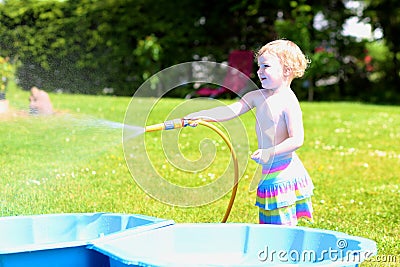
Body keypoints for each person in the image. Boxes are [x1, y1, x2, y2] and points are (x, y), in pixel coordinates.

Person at [185, 39, 314, 225]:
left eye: (266, 66)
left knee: (282, 224)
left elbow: (297, 139)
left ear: (287, 70)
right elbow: (230, 111)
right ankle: (270, 249)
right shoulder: (256, 97)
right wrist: (201, 115)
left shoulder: (288, 101)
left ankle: (281, 251)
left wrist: (270, 152)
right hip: (268, 169)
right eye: (259, 66)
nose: (260, 72)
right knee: (269, 220)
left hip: (284, 170)